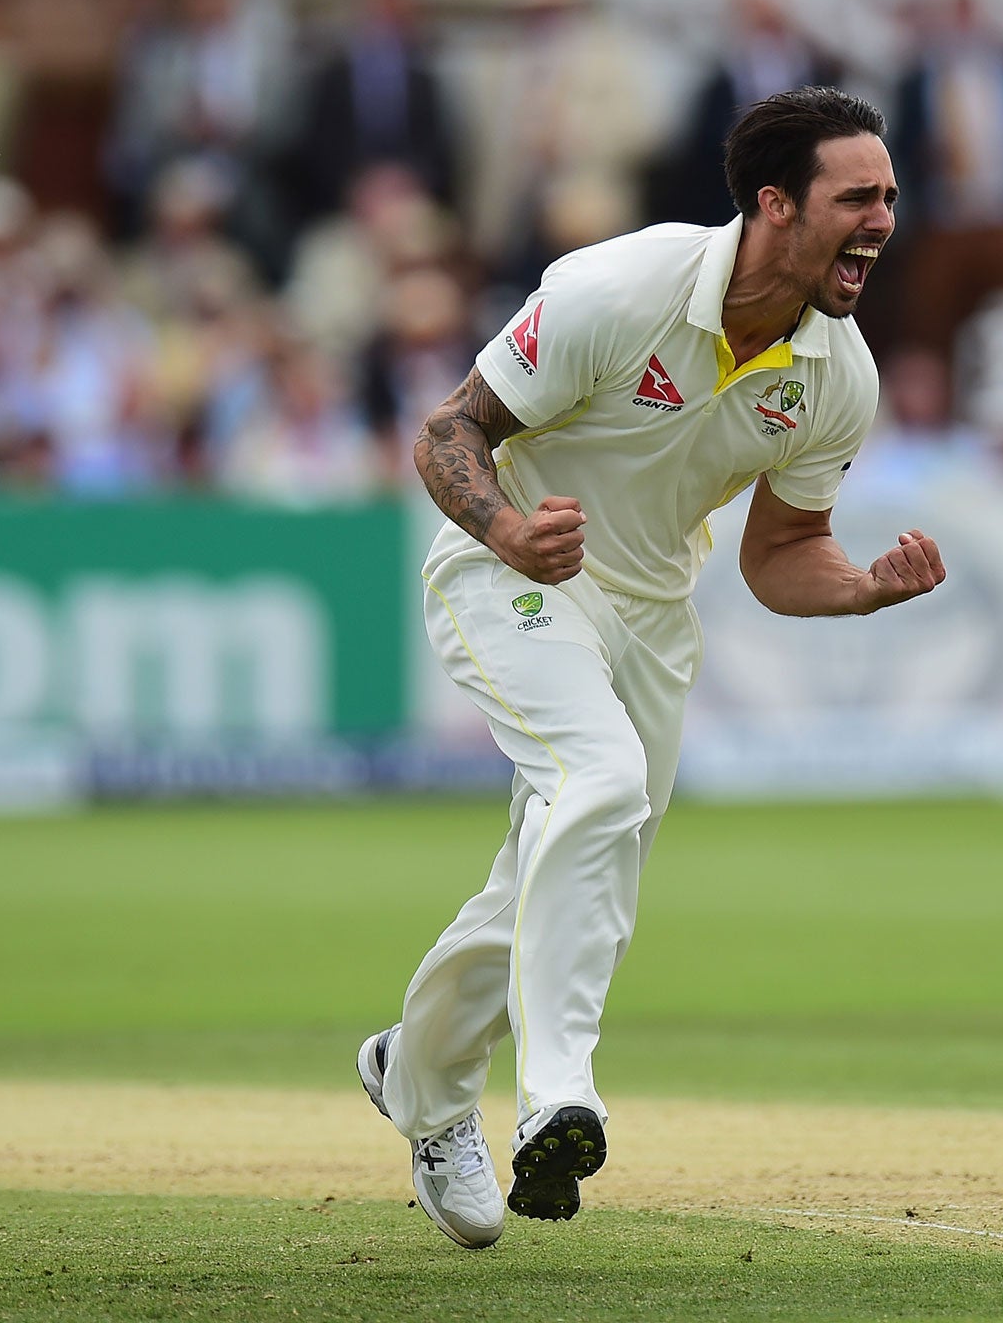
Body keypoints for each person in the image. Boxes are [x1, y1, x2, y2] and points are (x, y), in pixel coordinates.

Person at [356, 87, 945, 1248]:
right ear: (775, 206)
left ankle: (416, 1078)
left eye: (888, 194)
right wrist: (509, 533)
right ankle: (556, 1098)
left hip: (651, 615)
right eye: (857, 197)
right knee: (600, 786)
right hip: (513, 571)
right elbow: (448, 433)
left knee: (567, 857)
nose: (884, 218)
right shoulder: (614, 289)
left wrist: (868, 587)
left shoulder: (837, 376)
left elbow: (781, 558)